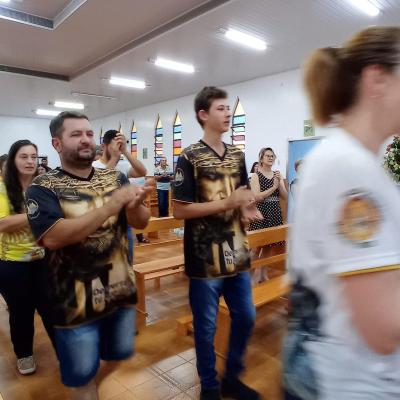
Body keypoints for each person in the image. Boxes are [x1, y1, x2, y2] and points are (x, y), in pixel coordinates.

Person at [282, 27, 400, 400]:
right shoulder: (350, 168)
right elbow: (382, 327)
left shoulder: (354, 161)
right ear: (378, 79)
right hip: (348, 383)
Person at [26, 111, 151, 400]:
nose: (85, 139)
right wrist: (109, 207)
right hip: (74, 302)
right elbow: (53, 237)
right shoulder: (42, 187)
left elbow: (140, 223)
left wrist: (134, 206)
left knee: (119, 355)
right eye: (75, 134)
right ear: (57, 144)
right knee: (81, 376)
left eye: (89, 133)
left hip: (120, 291)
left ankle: (91, 385)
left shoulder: (115, 177)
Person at [173, 86, 262, 400]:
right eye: (221, 109)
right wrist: (227, 204)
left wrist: (246, 208)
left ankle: (232, 378)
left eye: (229, 109)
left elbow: (240, 195)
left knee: (247, 316)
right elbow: (178, 209)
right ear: (203, 114)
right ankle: (209, 387)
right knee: (207, 327)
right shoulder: (188, 156)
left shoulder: (237, 154)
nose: (227, 114)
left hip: (236, 251)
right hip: (204, 258)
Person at [0, 140, 53, 375]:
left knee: (50, 307)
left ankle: (64, 349)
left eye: (34, 156)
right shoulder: (2, 189)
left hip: (43, 258)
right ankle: (24, 354)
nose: (31, 161)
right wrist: (37, 213)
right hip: (12, 263)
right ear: (13, 160)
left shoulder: (41, 187)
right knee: (21, 312)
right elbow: (3, 224)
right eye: (24, 156)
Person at [249, 147, 287, 283]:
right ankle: (248, 277)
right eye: (267, 156)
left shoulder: (277, 174)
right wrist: (273, 187)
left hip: (275, 212)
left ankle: (262, 274)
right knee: (256, 247)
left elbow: (285, 196)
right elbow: (257, 197)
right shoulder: (256, 175)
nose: (271, 158)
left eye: (272, 156)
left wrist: (280, 184)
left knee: (269, 246)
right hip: (261, 212)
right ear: (261, 158)